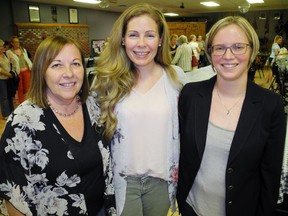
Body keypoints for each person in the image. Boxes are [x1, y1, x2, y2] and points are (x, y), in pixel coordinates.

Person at [177, 16, 286, 216]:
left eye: (238, 47)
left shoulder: (271, 105)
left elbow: (271, 174)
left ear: (251, 50)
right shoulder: (191, 95)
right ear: (210, 52)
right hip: (191, 208)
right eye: (219, 48)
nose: (228, 55)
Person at [0, 35, 116, 216]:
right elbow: (14, 198)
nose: (69, 73)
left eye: (76, 63)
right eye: (57, 65)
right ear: (41, 71)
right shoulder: (22, 123)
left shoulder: (94, 107)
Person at [90, 3, 187, 216]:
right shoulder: (106, 80)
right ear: (123, 39)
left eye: (150, 35)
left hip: (161, 181)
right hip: (122, 180)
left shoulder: (176, 78)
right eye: (133, 35)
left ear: (161, 40)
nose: (141, 44)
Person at [6, 36, 33, 104]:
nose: (18, 43)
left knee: (27, 88)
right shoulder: (9, 52)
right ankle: (21, 103)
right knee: (20, 88)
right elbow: (8, 63)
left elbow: (27, 59)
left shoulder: (23, 50)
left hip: (27, 71)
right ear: (12, 43)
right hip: (17, 73)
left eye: (18, 42)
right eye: (15, 42)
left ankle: (28, 102)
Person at [0, 39, 14, 120]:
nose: (2, 48)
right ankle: (5, 114)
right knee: (4, 97)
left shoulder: (4, 54)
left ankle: (11, 112)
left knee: (9, 96)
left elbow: (9, 65)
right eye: (0, 46)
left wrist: (11, 62)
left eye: (2, 46)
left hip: (8, 79)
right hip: (1, 79)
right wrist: (8, 74)